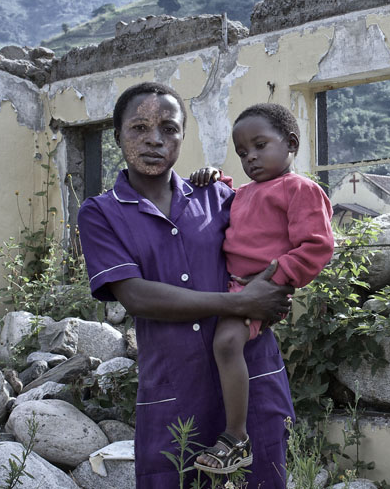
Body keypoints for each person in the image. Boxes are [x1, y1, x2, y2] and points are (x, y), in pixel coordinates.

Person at [78, 82, 296, 489]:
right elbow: (136, 296)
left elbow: (276, 241)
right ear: (118, 135)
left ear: (182, 135)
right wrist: (241, 302)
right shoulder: (101, 213)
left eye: (169, 128)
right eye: (139, 128)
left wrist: (278, 286)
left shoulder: (218, 196)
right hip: (175, 392)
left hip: (252, 380)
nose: (154, 139)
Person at [189, 103, 334, 476]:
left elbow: (317, 246)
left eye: (259, 145)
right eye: (242, 152)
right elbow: (231, 205)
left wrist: (273, 279)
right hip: (230, 286)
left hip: (259, 289)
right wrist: (213, 178)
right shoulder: (247, 191)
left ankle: (236, 437)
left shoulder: (300, 189)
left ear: (291, 144)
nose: (250, 157)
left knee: (226, 343)